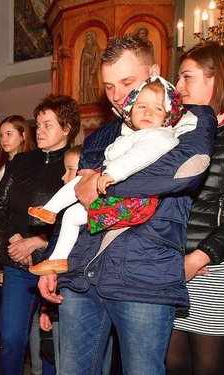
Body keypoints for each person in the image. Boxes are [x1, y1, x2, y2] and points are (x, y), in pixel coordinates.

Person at [38, 34, 216, 375]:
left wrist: (105, 187)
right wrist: (57, 262)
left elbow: (188, 168)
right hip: (84, 276)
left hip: (144, 276)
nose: (119, 96)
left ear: (155, 71)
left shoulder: (188, 120)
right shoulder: (100, 136)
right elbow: (77, 200)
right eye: (110, 87)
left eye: (128, 82)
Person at [159, 41, 224, 375]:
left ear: (214, 78)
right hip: (172, 264)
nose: (179, 85)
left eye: (187, 76)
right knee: (171, 368)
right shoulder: (183, 132)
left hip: (214, 265)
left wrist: (199, 257)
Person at [29, 76, 195, 275]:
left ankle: (50, 212)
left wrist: (111, 174)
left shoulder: (160, 136)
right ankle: (57, 253)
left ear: (168, 116)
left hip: (133, 204)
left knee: (81, 187)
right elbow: (116, 153)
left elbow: (137, 158)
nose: (148, 112)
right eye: (141, 107)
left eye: (157, 109)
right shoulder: (132, 134)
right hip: (120, 198)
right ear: (130, 111)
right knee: (73, 212)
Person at [0, 94, 81, 375]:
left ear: (67, 128)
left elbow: (78, 215)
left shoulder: (74, 167)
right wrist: (17, 240)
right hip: (17, 264)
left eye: (47, 124)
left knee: (50, 345)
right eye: (37, 124)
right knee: (11, 339)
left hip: (55, 266)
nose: (39, 130)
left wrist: (39, 241)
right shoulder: (22, 161)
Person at [0, 115, 35, 375]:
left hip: (17, 243)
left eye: (9, 133)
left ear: (24, 136)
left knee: (11, 309)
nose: (3, 139)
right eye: (1, 134)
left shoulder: (30, 165)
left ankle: (11, 369)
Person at [79, 31, 101, 104]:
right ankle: (85, 100)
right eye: (87, 39)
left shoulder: (95, 47)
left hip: (92, 70)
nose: (89, 40)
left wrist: (93, 70)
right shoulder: (84, 49)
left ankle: (93, 100)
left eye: (90, 38)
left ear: (93, 39)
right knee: (86, 86)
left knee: (91, 84)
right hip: (85, 69)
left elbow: (97, 59)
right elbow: (82, 60)